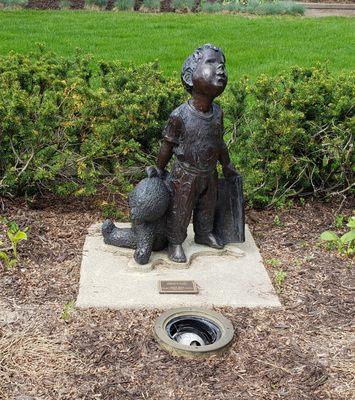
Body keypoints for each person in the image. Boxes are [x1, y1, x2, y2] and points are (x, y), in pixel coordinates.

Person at [156, 44, 239, 263]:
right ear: (189, 76)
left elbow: (219, 143)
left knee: (207, 206)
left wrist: (227, 165)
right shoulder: (180, 115)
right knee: (180, 209)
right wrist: (158, 168)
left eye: (222, 65)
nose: (220, 68)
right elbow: (167, 146)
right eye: (211, 63)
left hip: (209, 173)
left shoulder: (217, 113)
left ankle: (204, 233)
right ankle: (175, 241)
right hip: (185, 174)